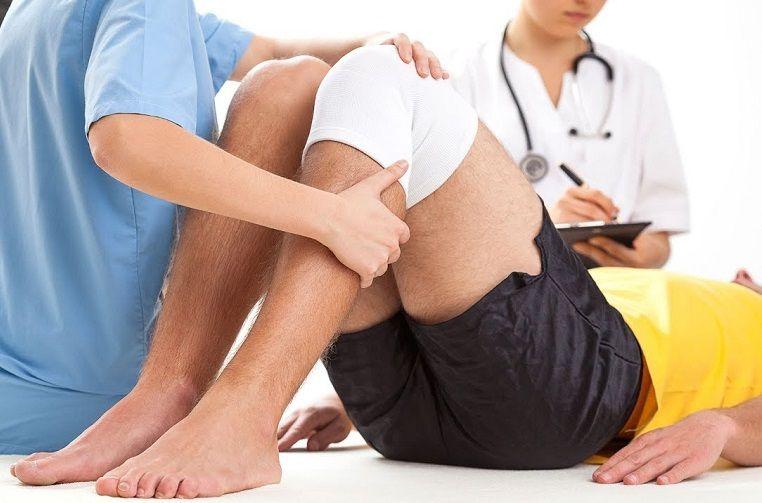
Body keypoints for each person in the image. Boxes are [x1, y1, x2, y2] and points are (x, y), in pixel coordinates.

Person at [14, 45, 762, 498]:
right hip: (405, 410)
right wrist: (343, 402)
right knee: (283, 84)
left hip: (572, 398)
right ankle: (172, 389)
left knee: (382, 70)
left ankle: (241, 406)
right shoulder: (694, 290)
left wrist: (729, 424)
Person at [0, 0, 442, 461]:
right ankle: (173, 397)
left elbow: (269, 51)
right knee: (295, 83)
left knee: (291, 80)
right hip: (100, 391)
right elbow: (127, 139)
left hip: (18, 385)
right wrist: (331, 215)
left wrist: (366, 47)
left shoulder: (29, 13)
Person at [447, 0, 689, 268]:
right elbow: (444, 233)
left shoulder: (638, 79)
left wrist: (647, 252)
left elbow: (660, 227)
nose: (585, 2)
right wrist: (541, 227)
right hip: (506, 286)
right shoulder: (454, 77)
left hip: (614, 287)